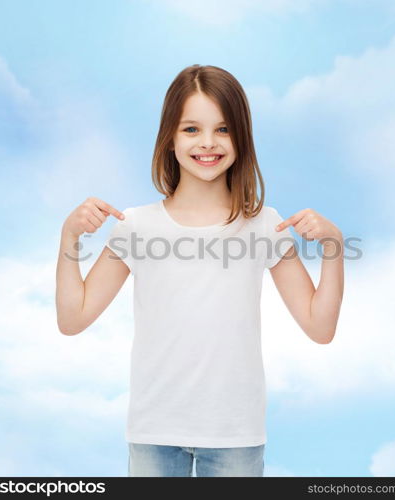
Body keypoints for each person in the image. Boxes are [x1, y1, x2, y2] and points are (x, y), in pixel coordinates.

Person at [55, 64, 344, 477]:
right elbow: (72, 318)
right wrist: (70, 238)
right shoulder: (136, 226)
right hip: (154, 428)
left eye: (223, 129)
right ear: (169, 137)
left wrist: (332, 247)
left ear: (241, 138)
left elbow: (321, 327)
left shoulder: (264, 224)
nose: (208, 143)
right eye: (191, 129)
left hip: (235, 433)